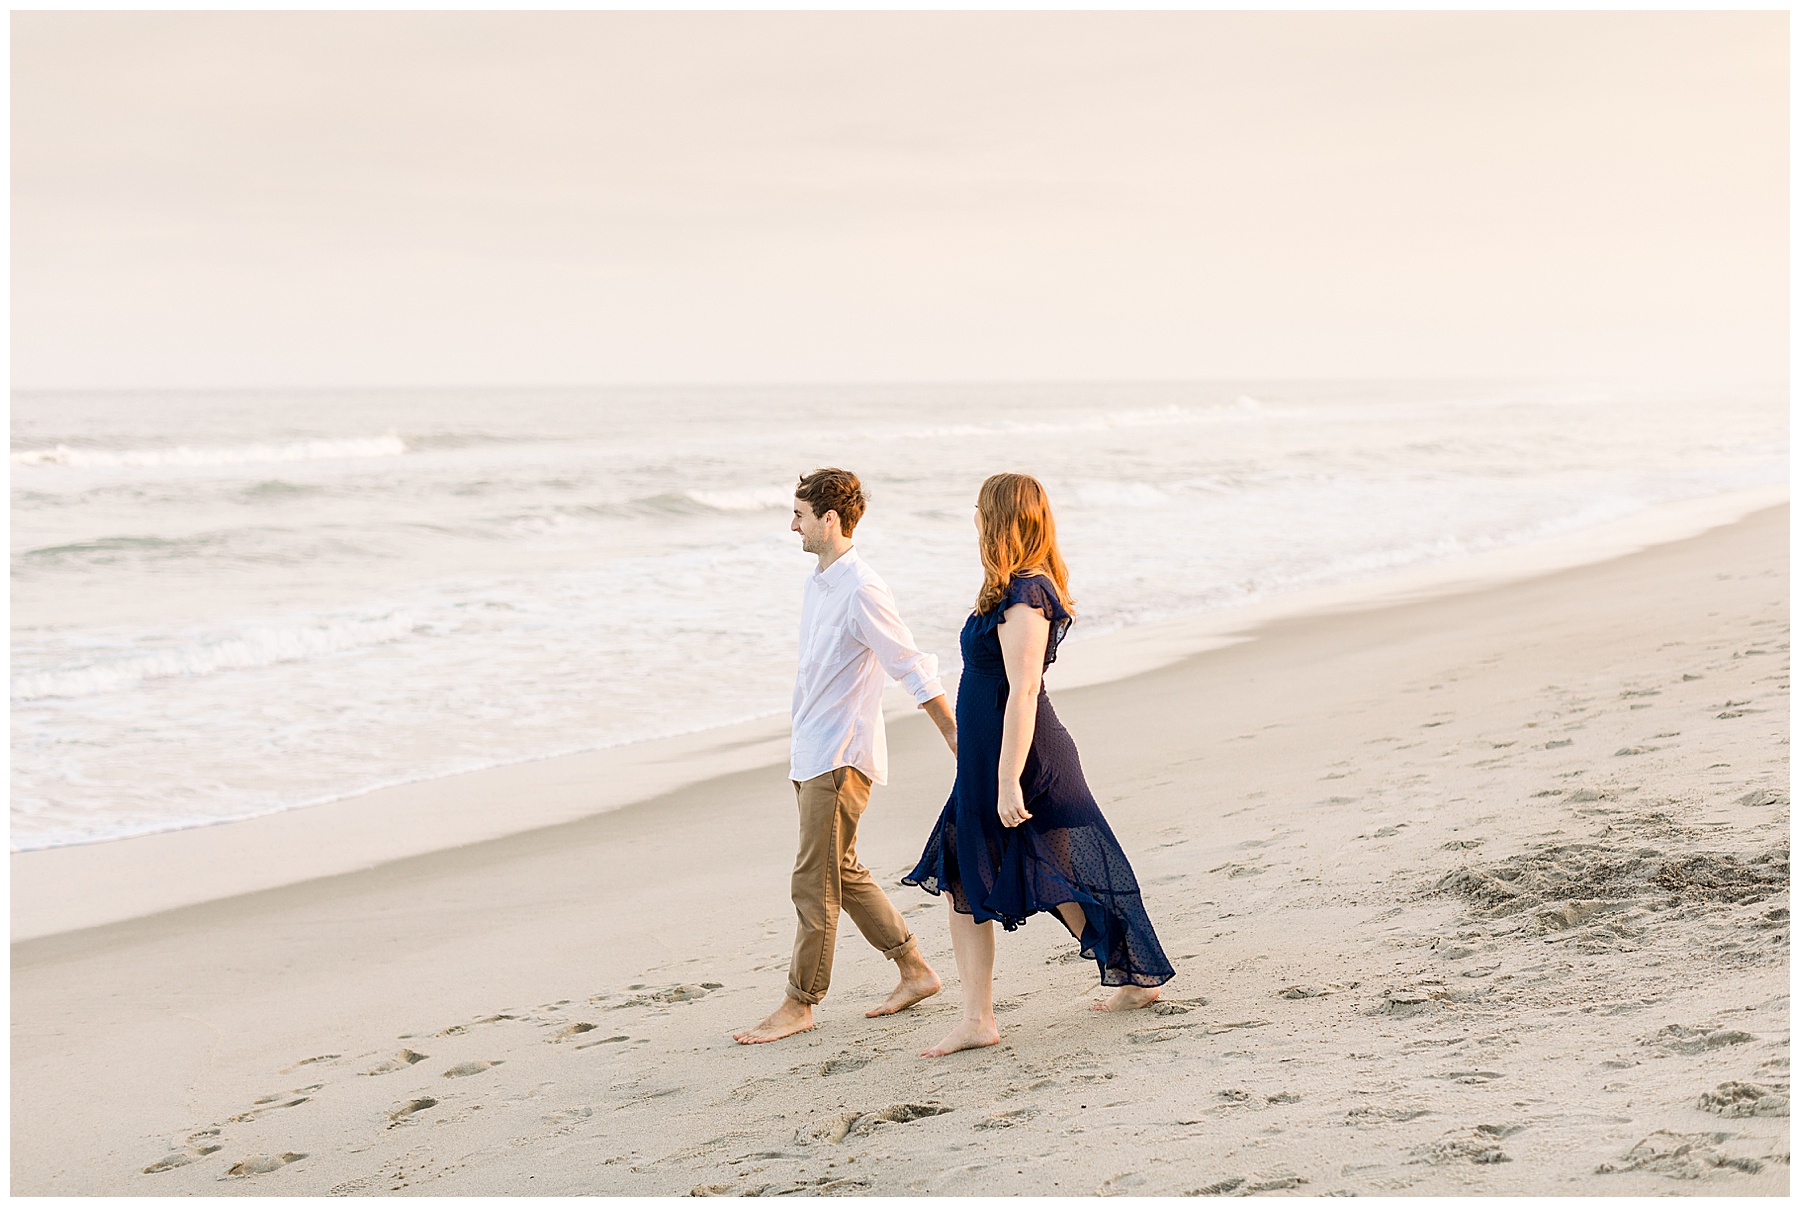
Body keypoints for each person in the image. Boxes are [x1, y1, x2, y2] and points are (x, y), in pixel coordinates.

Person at [904, 472, 1175, 1057]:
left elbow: (1024, 690)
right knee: (999, 872)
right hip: (990, 762)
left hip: (1026, 763)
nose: (974, 518)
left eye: (981, 509)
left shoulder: (1028, 593)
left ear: (1001, 519)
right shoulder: (1006, 590)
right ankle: (1124, 978)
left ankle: (985, 1017)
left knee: (1056, 871)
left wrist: (1007, 780)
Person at [733, 467, 959, 1045]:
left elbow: (908, 663)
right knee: (842, 870)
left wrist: (954, 735)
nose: (792, 526)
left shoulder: (862, 588)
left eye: (799, 515)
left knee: (813, 880)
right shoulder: (820, 582)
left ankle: (799, 1002)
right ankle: (915, 970)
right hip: (811, 750)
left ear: (829, 519)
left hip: (839, 755)